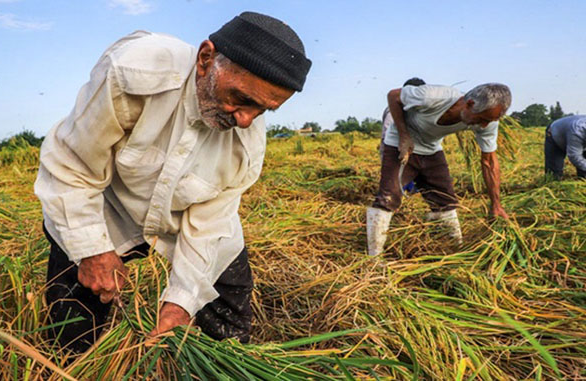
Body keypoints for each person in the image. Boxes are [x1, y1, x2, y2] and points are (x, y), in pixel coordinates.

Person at [34, 11, 311, 353]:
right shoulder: (135, 72)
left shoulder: (246, 145)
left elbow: (209, 225)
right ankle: (69, 364)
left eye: (264, 110)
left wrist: (180, 302)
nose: (245, 119)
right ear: (206, 59)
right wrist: (92, 250)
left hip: (186, 217)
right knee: (73, 319)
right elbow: (72, 164)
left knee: (228, 322)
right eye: (243, 99)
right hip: (108, 205)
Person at [366, 83, 512, 256]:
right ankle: (374, 258)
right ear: (470, 104)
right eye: (482, 119)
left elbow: (489, 161)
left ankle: (454, 249)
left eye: (489, 121)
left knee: (446, 200)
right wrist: (404, 135)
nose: (483, 126)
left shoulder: (488, 123)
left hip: (432, 149)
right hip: (401, 143)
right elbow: (393, 96)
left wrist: (496, 204)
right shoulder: (433, 96)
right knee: (389, 197)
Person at [380, 77, 426, 194]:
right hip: (395, 149)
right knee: (395, 180)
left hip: (409, 149)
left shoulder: (415, 110)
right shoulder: (394, 109)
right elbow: (387, 132)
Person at [544, 115, 586, 179]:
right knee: (554, 173)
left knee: (584, 172)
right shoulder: (578, 130)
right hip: (555, 135)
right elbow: (574, 155)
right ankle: (554, 184)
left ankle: (582, 179)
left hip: (576, 137)